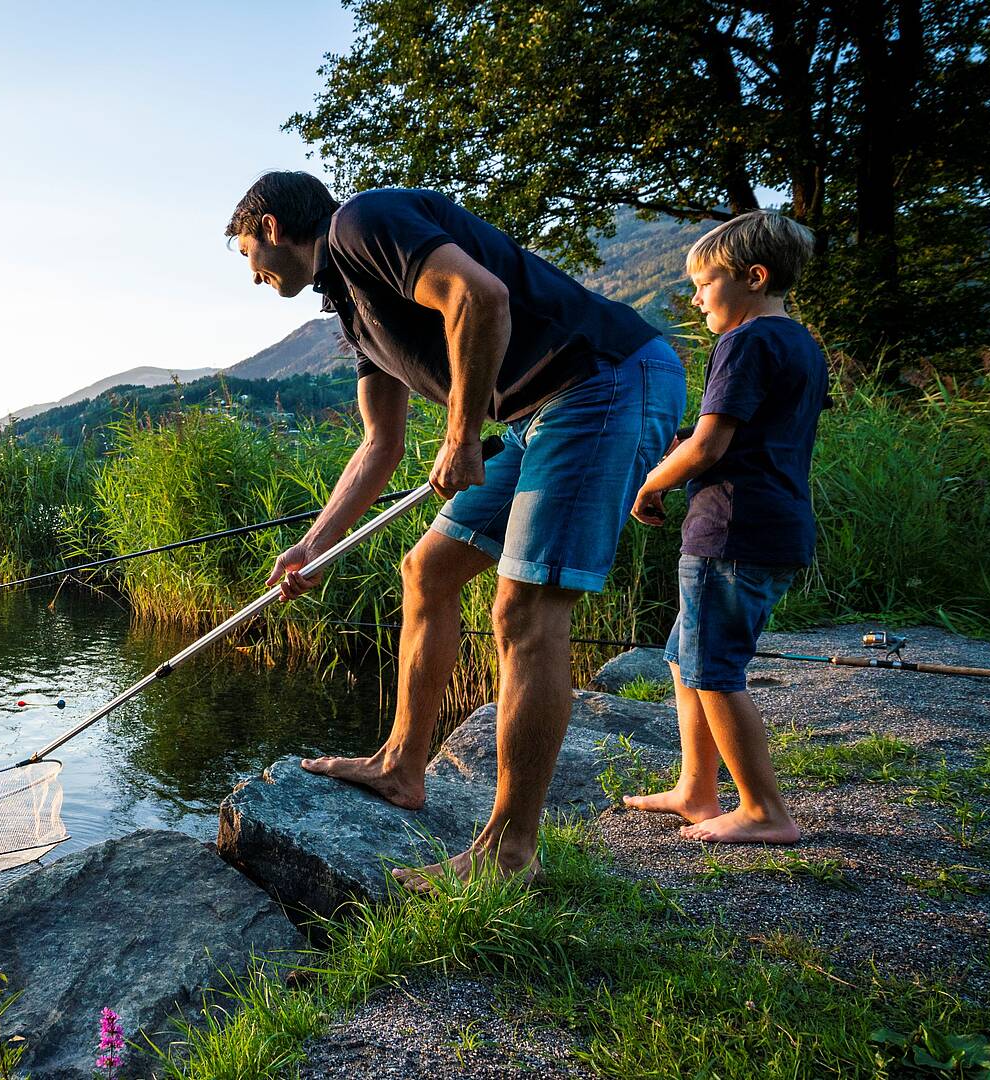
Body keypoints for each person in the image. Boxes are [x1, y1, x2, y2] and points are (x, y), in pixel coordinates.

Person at [227, 171, 685, 886]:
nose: (252, 272)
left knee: (525, 609)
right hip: (538, 414)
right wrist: (314, 547)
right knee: (427, 570)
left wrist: (463, 432)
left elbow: (482, 296)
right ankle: (400, 767)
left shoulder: (361, 224)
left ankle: (509, 854)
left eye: (246, 252)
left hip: (601, 382)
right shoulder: (351, 310)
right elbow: (378, 444)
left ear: (271, 229)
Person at [623, 210, 827, 844]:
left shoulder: (745, 341)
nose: (696, 296)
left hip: (732, 530)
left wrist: (650, 480)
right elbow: (756, 433)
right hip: (775, 523)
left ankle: (764, 810)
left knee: (713, 667)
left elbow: (710, 448)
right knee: (687, 660)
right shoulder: (802, 344)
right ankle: (696, 789)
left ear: (753, 277)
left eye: (705, 282)